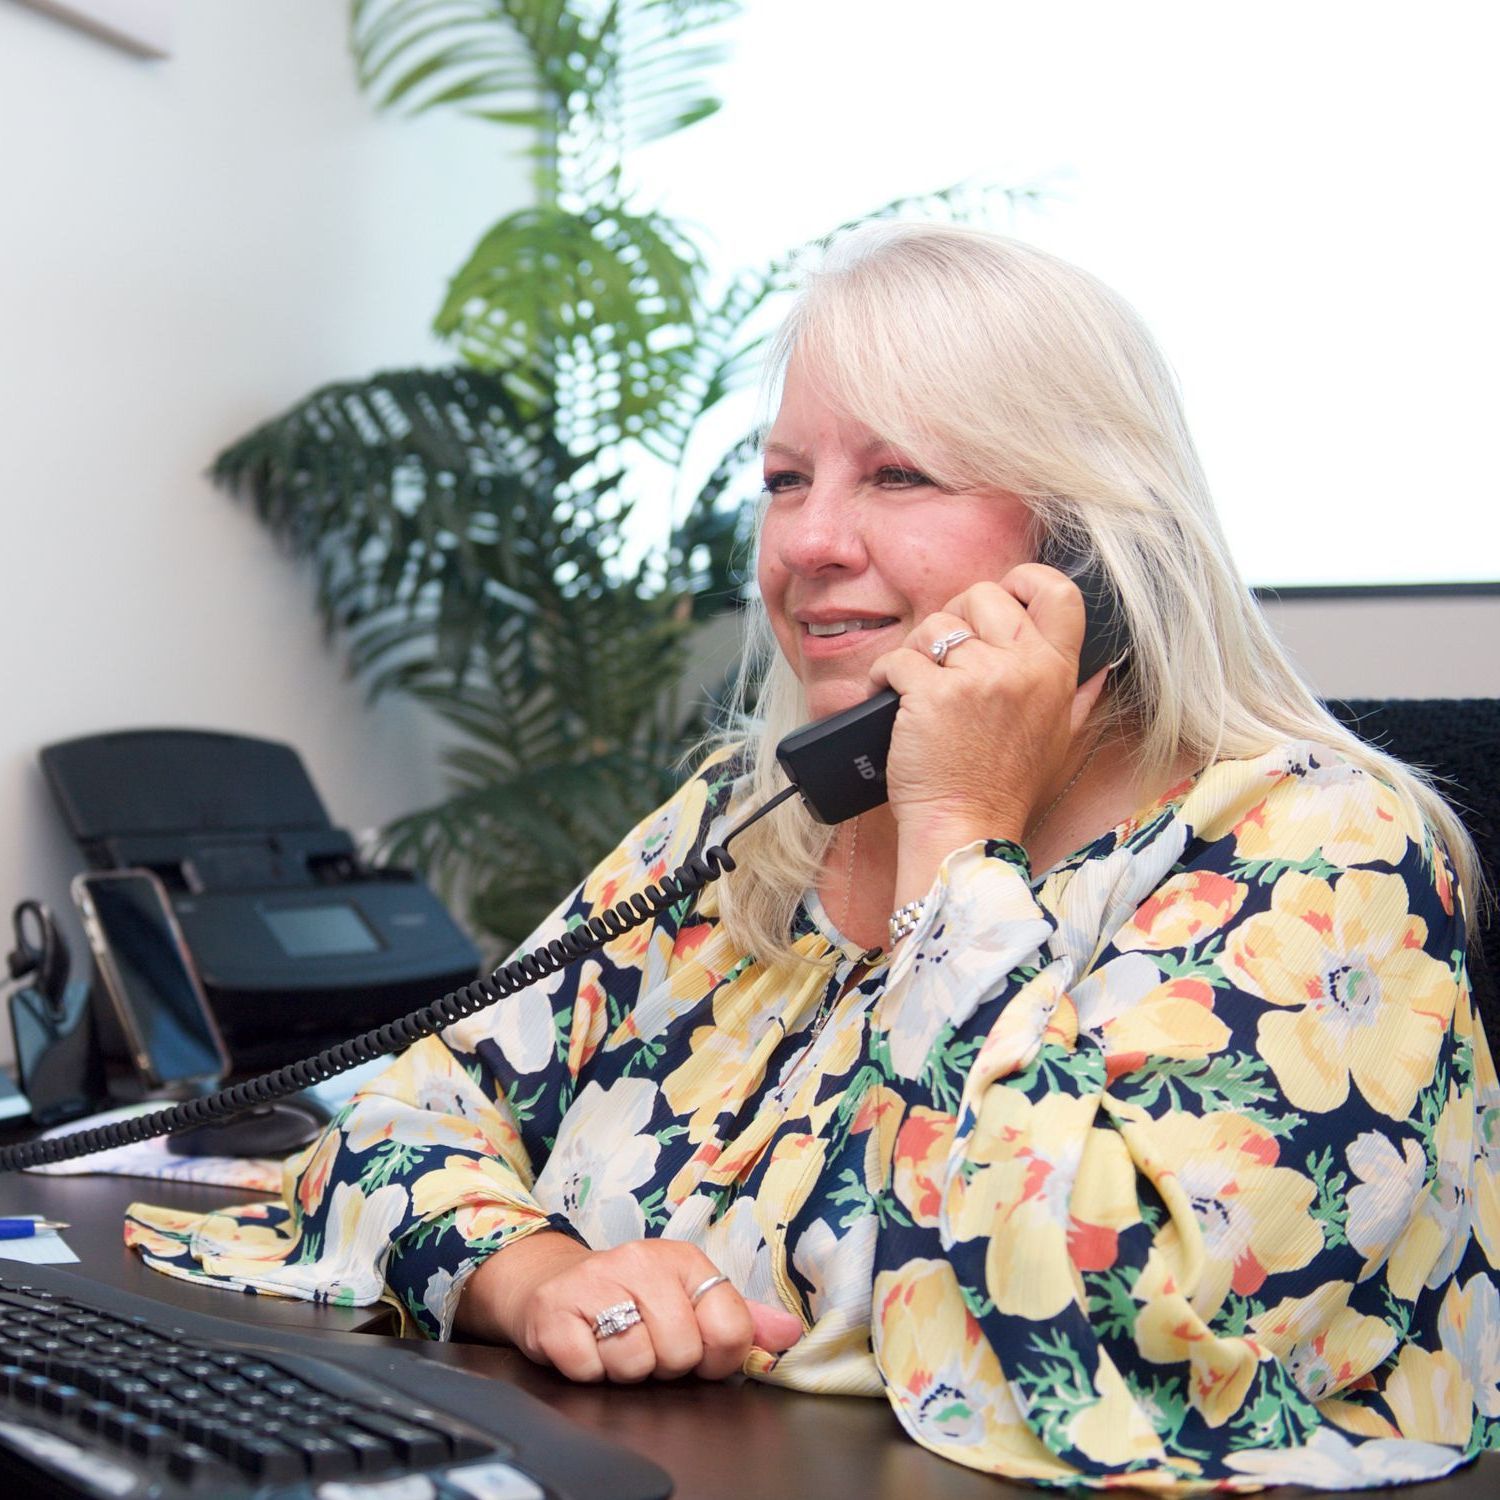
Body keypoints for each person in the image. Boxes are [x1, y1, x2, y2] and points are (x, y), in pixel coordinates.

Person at [128, 224, 1500, 1490]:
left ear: (1089, 544)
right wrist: (534, 1275)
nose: (809, 543)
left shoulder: (1321, 852)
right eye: (786, 481)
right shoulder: (746, 830)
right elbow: (404, 1114)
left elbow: (1113, 1336)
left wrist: (961, 837)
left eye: (898, 473)